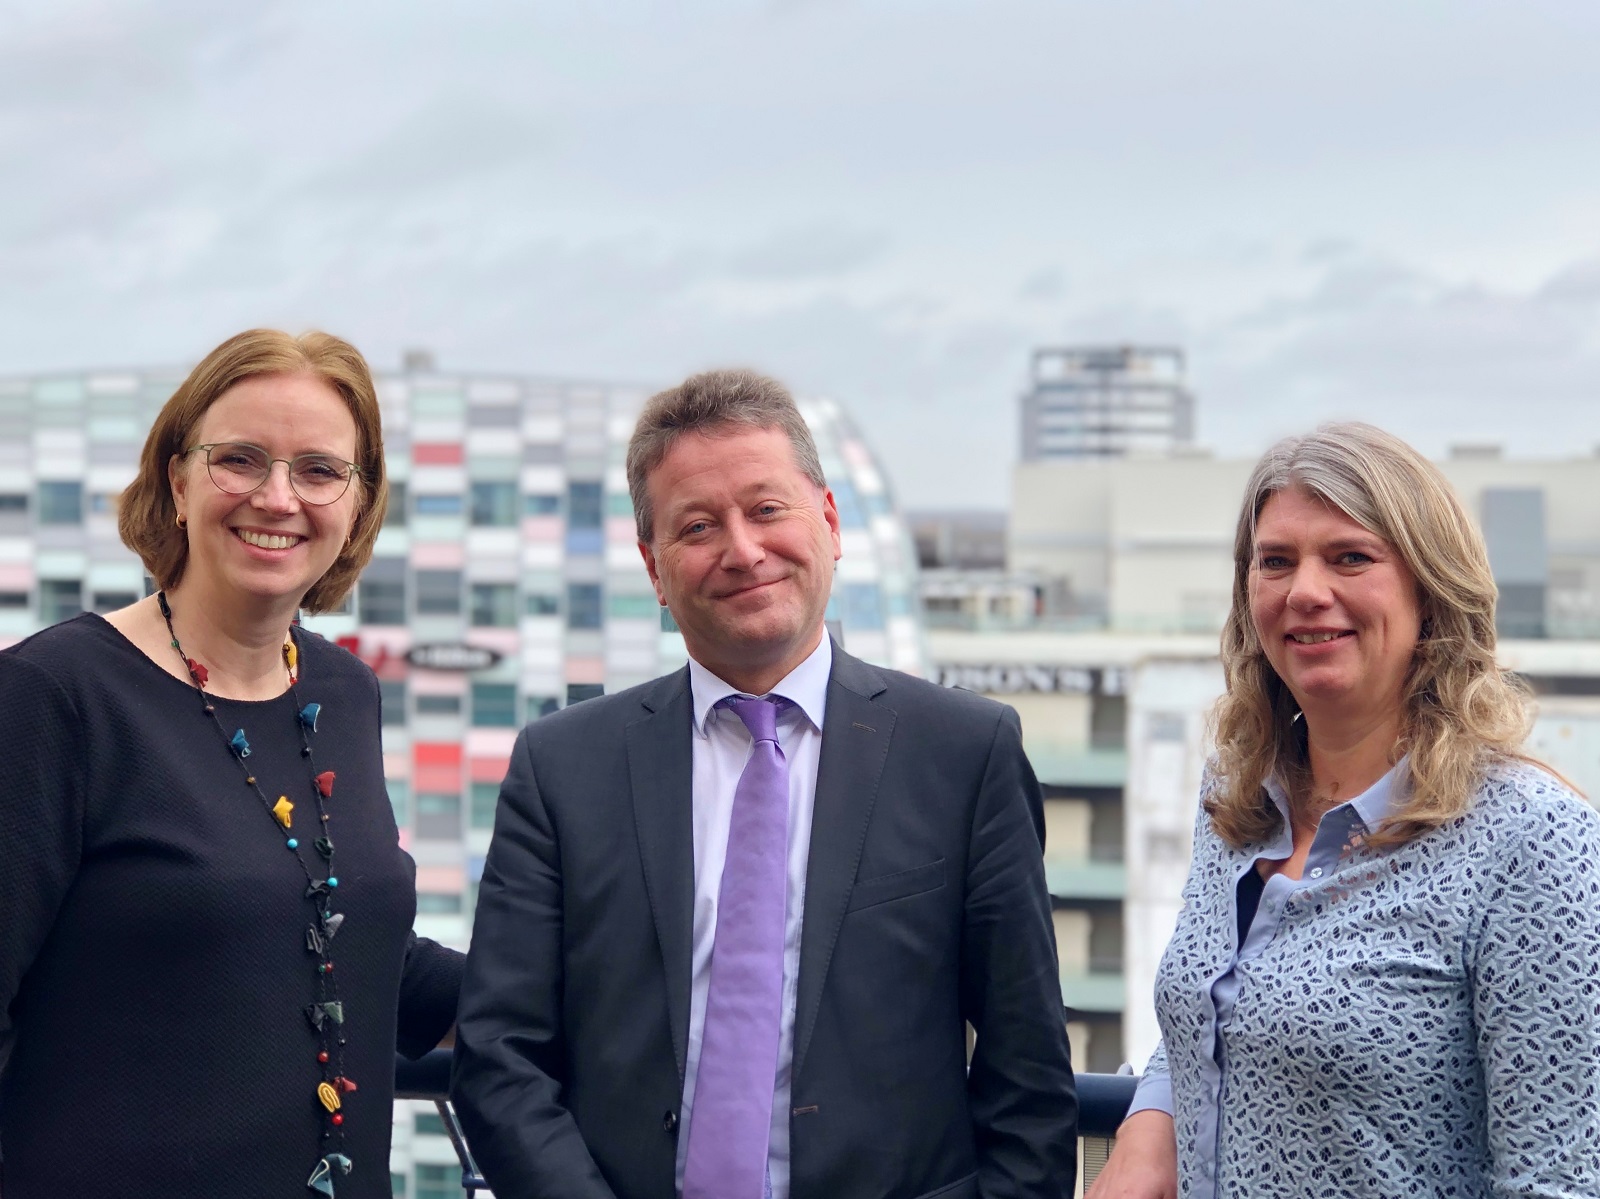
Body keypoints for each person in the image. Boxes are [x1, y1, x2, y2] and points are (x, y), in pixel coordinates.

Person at [453, 368, 1077, 1199]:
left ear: (828, 521)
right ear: (654, 567)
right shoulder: (561, 767)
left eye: (767, 509)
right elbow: (499, 1055)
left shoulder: (965, 750)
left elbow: (1028, 1077)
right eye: (699, 525)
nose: (742, 550)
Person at [0, 330, 462, 1198]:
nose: (278, 497)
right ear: (176, 481)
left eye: (320, 470)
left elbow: (335, 934)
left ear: (358, 505)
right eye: (239, 459)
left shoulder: (343, 691)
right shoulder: (53, 695)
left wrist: (601, 988)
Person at [1088, 422, 1600, 1199]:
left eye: (1351, 557)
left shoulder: (1533, 840)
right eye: (1276, 561)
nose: (1305, 591)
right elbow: (1225, 1000)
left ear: (1430, 590)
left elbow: (1556, 1181)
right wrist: (1152, 1115)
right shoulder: (1237, 792)